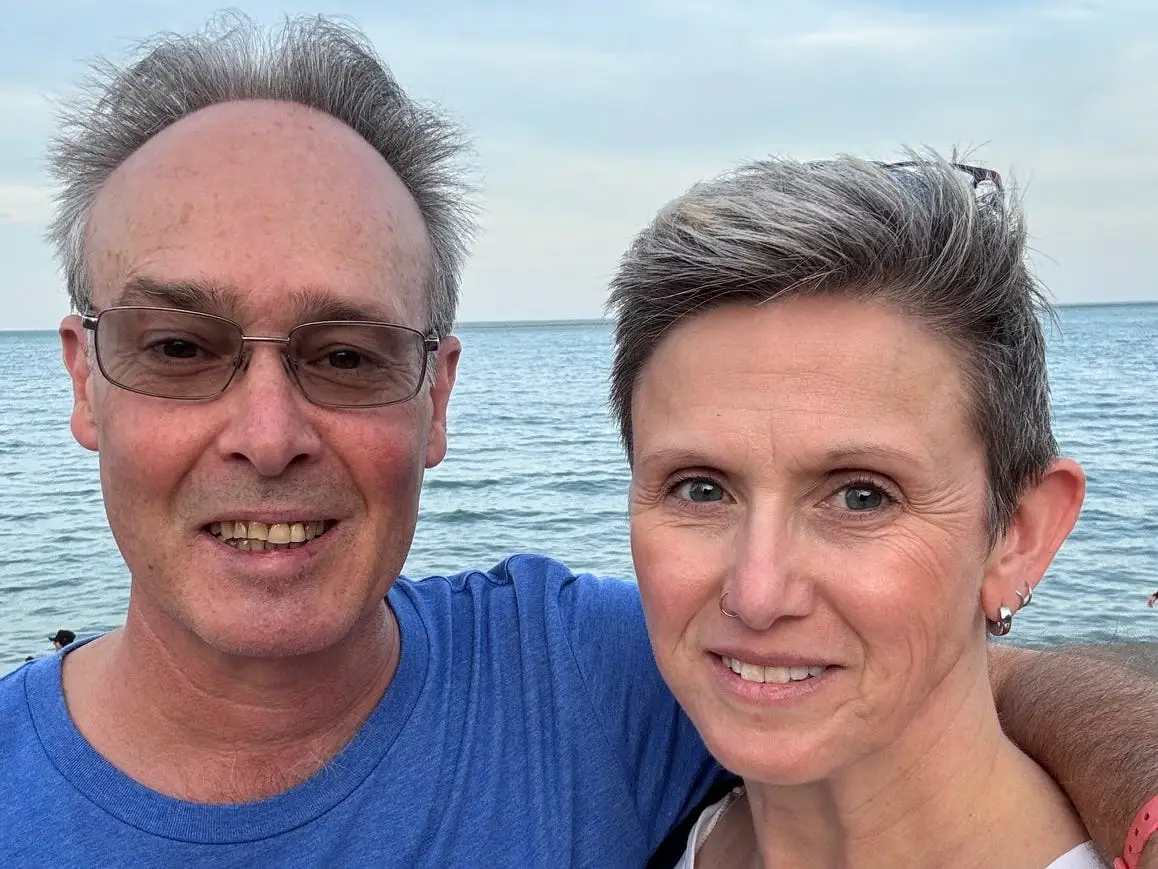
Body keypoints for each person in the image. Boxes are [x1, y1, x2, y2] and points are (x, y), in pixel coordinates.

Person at [0, 14, 1154, 867]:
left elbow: (941, 677)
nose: (266, 433)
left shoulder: (582, 676)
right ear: (83, 379)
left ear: (438, 395)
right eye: (179, 346)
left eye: (346, 354)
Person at [605, 153, 1148, 868]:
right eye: (700, 488)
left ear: (1019, 535)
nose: (758, 594)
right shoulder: (656, 819)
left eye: (862, 495)